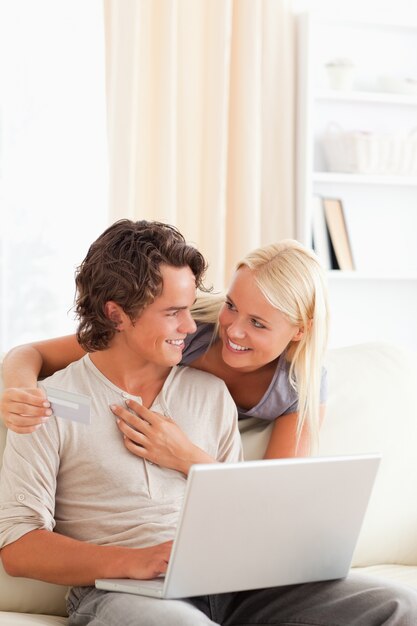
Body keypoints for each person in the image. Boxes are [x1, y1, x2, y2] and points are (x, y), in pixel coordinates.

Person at [1, 218, 417, 626]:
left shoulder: (212, 393)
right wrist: (132, 562)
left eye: (190, 309)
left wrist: (192, 460)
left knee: (400, 605)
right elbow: (18, 548)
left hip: (232, 583)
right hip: (123, 591)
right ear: (116, 315)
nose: (192, 326)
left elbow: (252, 518)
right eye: (174, 313)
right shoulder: (46, 405)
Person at [1, 239, 329, 462]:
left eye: (258, 323)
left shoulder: (300, 385)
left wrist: (185, 456)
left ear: (301, 329)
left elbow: (273, 493)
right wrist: (19, 391)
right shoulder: (188, 326)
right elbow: (31, 353)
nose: (233, 329)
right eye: (231, 305)